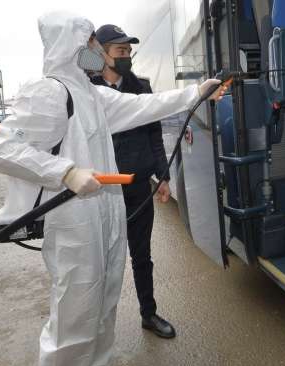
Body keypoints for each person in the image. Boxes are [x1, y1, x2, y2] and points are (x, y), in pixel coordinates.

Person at [0, 11, 225, 366]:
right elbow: (4, 148)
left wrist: (197, 91)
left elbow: (144, 106)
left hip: (105, 211)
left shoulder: (91, 94)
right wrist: (62, 171)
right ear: (72, 46)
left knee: (105, 298)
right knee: (74, 315)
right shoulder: (49, 92)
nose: (100, 52)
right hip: (73, 220)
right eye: (93, 43)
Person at [89, 24, 175, 339]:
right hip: (98, 192)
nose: (126, 57)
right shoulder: (85, 91)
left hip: (137, 186)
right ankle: (95, 326)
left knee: (142, 255)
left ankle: (148, 314)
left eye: (128, 51)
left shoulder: (142, 88)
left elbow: (154, 135)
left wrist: (162, 176)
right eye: (120, 51)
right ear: (101, 53)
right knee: (100, 261)